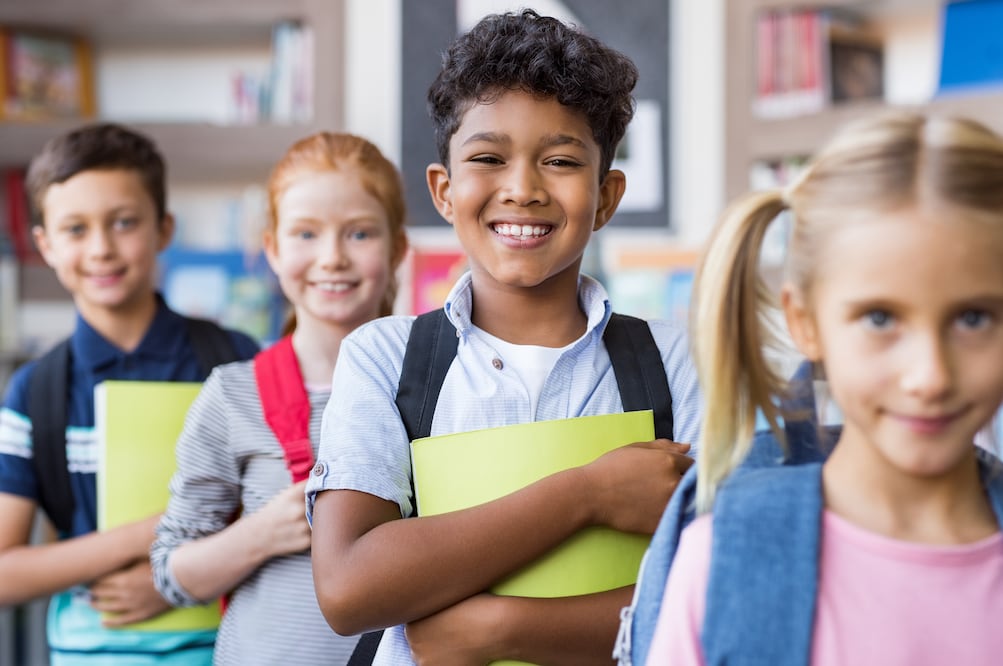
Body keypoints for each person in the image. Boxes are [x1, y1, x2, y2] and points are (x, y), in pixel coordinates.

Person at [307, 10, 702, 665]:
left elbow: (711, 589)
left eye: (560, 161)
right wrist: (589, 494)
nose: (521, 189)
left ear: (605, 198)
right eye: (488, 158)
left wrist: (498, 629)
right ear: (443, 190)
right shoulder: (384, 357)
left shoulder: (678, 360)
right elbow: (350, 587)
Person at [646, 111, 1003, 665]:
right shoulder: (725, 564)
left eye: (975, 318)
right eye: (881, 319)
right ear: (805, 321)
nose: (930, 376)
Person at [0, 123, 259, 665]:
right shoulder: (35, 391)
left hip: (230, 647)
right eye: (75, 229)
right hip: (88, 652)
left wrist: (173, 579)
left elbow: (281, 509)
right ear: (45, 244)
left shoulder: (236, 360)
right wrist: (153, 535)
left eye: (124, 223)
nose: (101, 249)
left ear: (163, 228)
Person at [149, 132, 409, 665]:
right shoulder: (231, 395)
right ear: (272, 249)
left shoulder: (440, 385)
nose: (332, 258)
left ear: (398, 248)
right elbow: (172, 573)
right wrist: (262, 534)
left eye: (359, 233)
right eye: (306, 234)